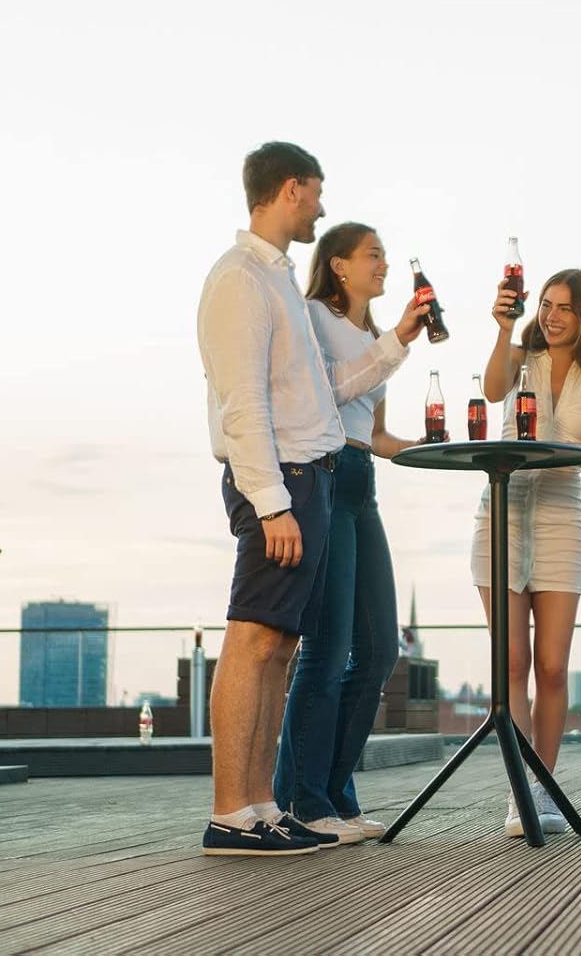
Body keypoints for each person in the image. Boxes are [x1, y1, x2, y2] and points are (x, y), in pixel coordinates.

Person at [195, 141, 341, 855]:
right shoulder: (240, 278)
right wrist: (272, 502)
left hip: (306, 478)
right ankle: (229, 813)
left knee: (279, 647)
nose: (321, 206)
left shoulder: (277, 278)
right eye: (316, 191)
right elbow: (243, 401)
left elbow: (302, 392)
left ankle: (259, 806)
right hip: (278, 481)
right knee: (252, 638)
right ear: (290, 188)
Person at [271, 221, 429, 845]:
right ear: (338, 265)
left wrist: (426, 447)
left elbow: (375, 433)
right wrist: (397, 342)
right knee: (328, 648)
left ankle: (332, 792)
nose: (383, 265)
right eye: (373, 255)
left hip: (363, 481)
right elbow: (324, 395)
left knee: (381, 648)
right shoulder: (313, 317)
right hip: (327, 477)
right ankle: (303, 798)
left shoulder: (371, 336)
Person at [475, 268, 581, 836]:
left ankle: (544, 788)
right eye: (547, 305)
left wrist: (546, 453)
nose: (553, 317)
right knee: (511, 663)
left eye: (565, 308)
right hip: (502, 516)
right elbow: (492, 391)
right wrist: (502, 329)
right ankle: (518, 791)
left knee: (553, 667)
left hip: (562, 520)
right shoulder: (520, 356)